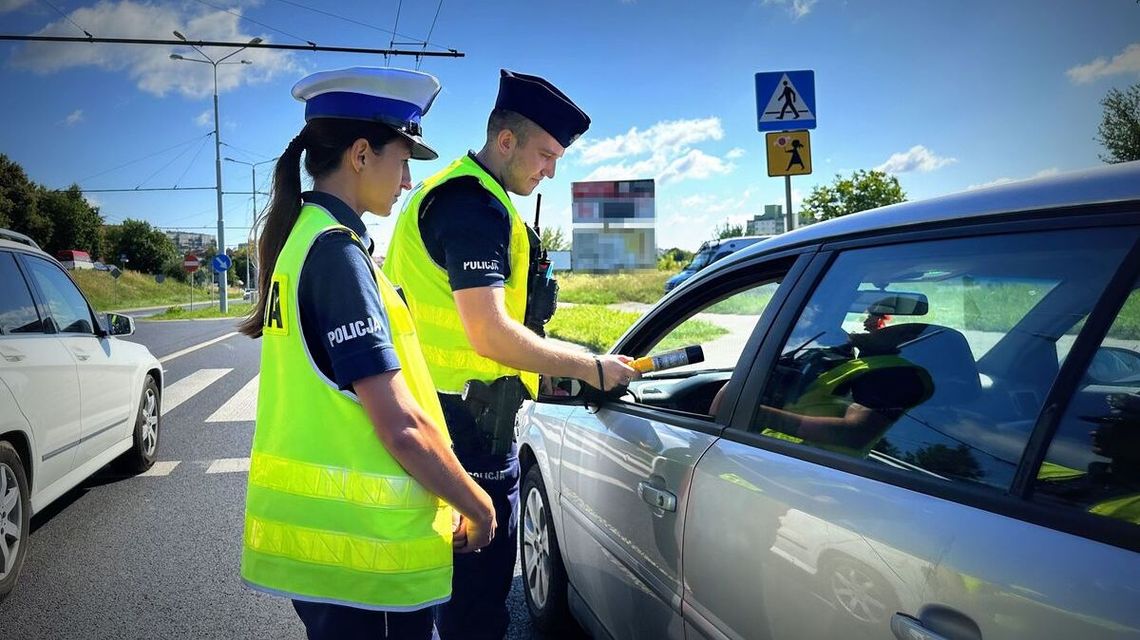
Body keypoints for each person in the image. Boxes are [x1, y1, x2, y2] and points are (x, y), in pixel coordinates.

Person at [236, 67, 497, 640]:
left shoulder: (307, 239)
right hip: (368, 563)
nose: (407, 181)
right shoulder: (337, 256)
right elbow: (400, 425)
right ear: (360, 154)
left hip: (341, 561)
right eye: (402, 160)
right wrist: (477, 502)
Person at [383, 69, 637, 639]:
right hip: (464, 428)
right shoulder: (472, 205)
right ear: (506, 141)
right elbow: (489, 335)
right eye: (545, 154)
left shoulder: (458, 191)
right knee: (475, 603)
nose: (550, 170)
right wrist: (591, 367)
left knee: (443, 597)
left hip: (444, 416)